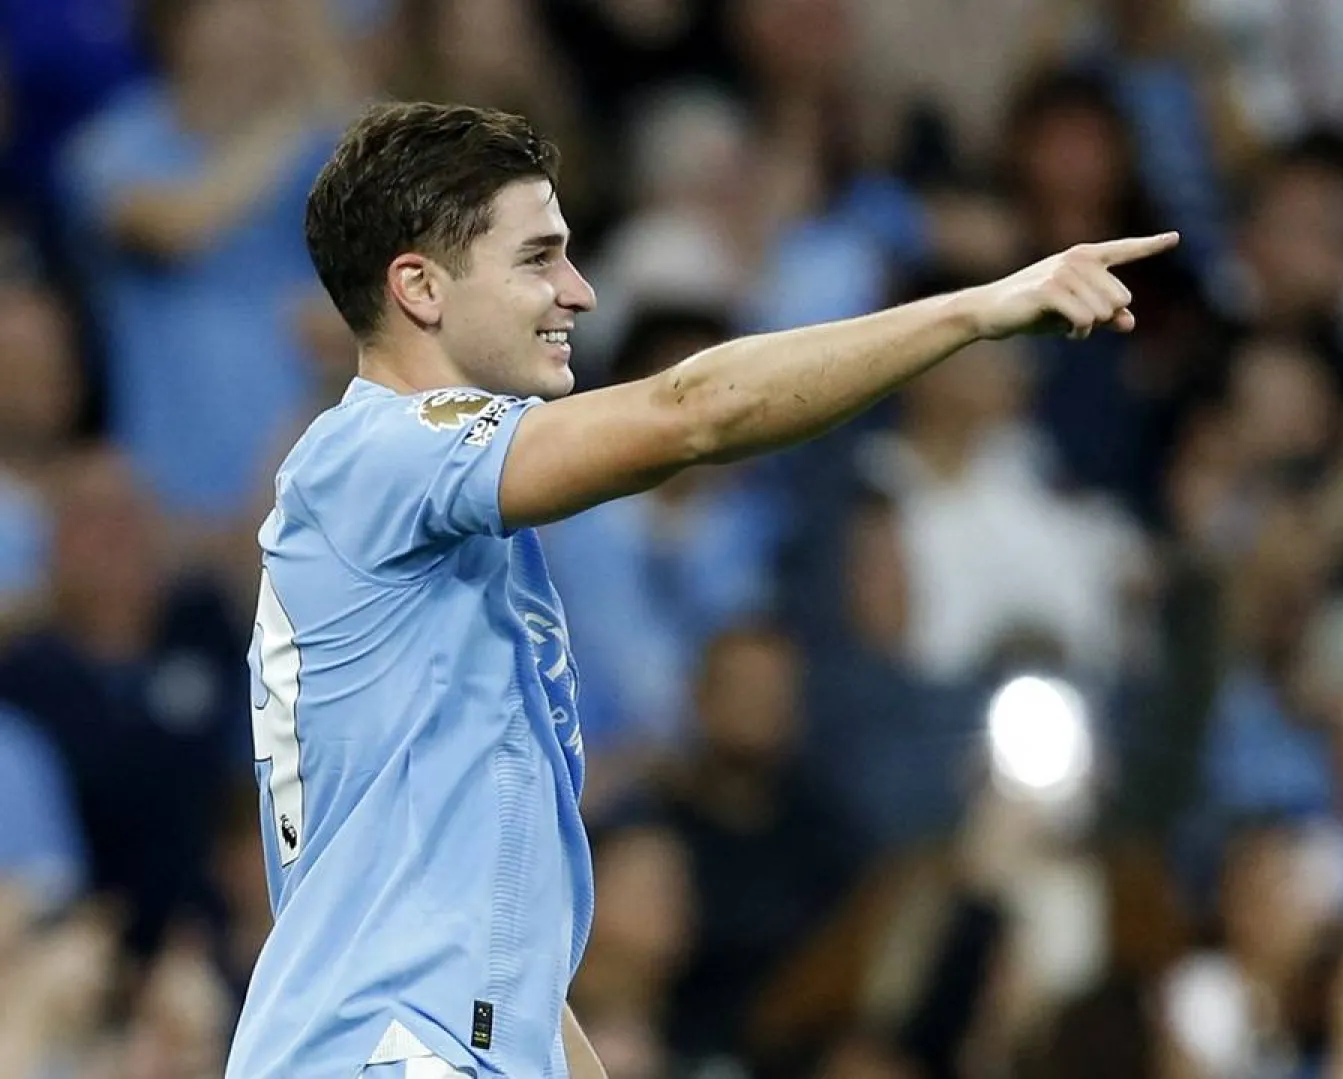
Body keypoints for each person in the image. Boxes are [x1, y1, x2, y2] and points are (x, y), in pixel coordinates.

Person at [227, 99, 1178, 1079]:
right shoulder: (374, 457)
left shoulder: (443, 544)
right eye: (537, 258)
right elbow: (693, 414)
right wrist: (976, 310)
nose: (579, 291)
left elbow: (492, 955)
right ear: (420, 287)